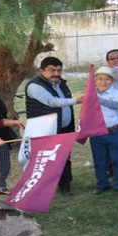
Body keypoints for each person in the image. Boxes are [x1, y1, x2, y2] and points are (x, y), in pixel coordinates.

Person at [25, 57, 83, 196]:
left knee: (64, 156)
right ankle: (43, 186)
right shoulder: (34, 86)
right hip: (45, 129)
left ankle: (65, 184)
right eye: (51, 70)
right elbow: (52, 102)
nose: (56, 73)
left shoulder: (61, 83)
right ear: (41, 70)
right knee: (45, 158)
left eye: (59, 70)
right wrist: (77, 100)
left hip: (64, 127)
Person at [89, 67, 118, 196]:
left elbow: (116, 105)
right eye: (100, 79)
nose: (103, 82)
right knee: (99, 160)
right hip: (97, 132)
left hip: (116, 130)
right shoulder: (90, 94)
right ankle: (102, 184)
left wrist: (97, 99)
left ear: (112, 81)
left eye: (107, 79)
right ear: (95, 81)